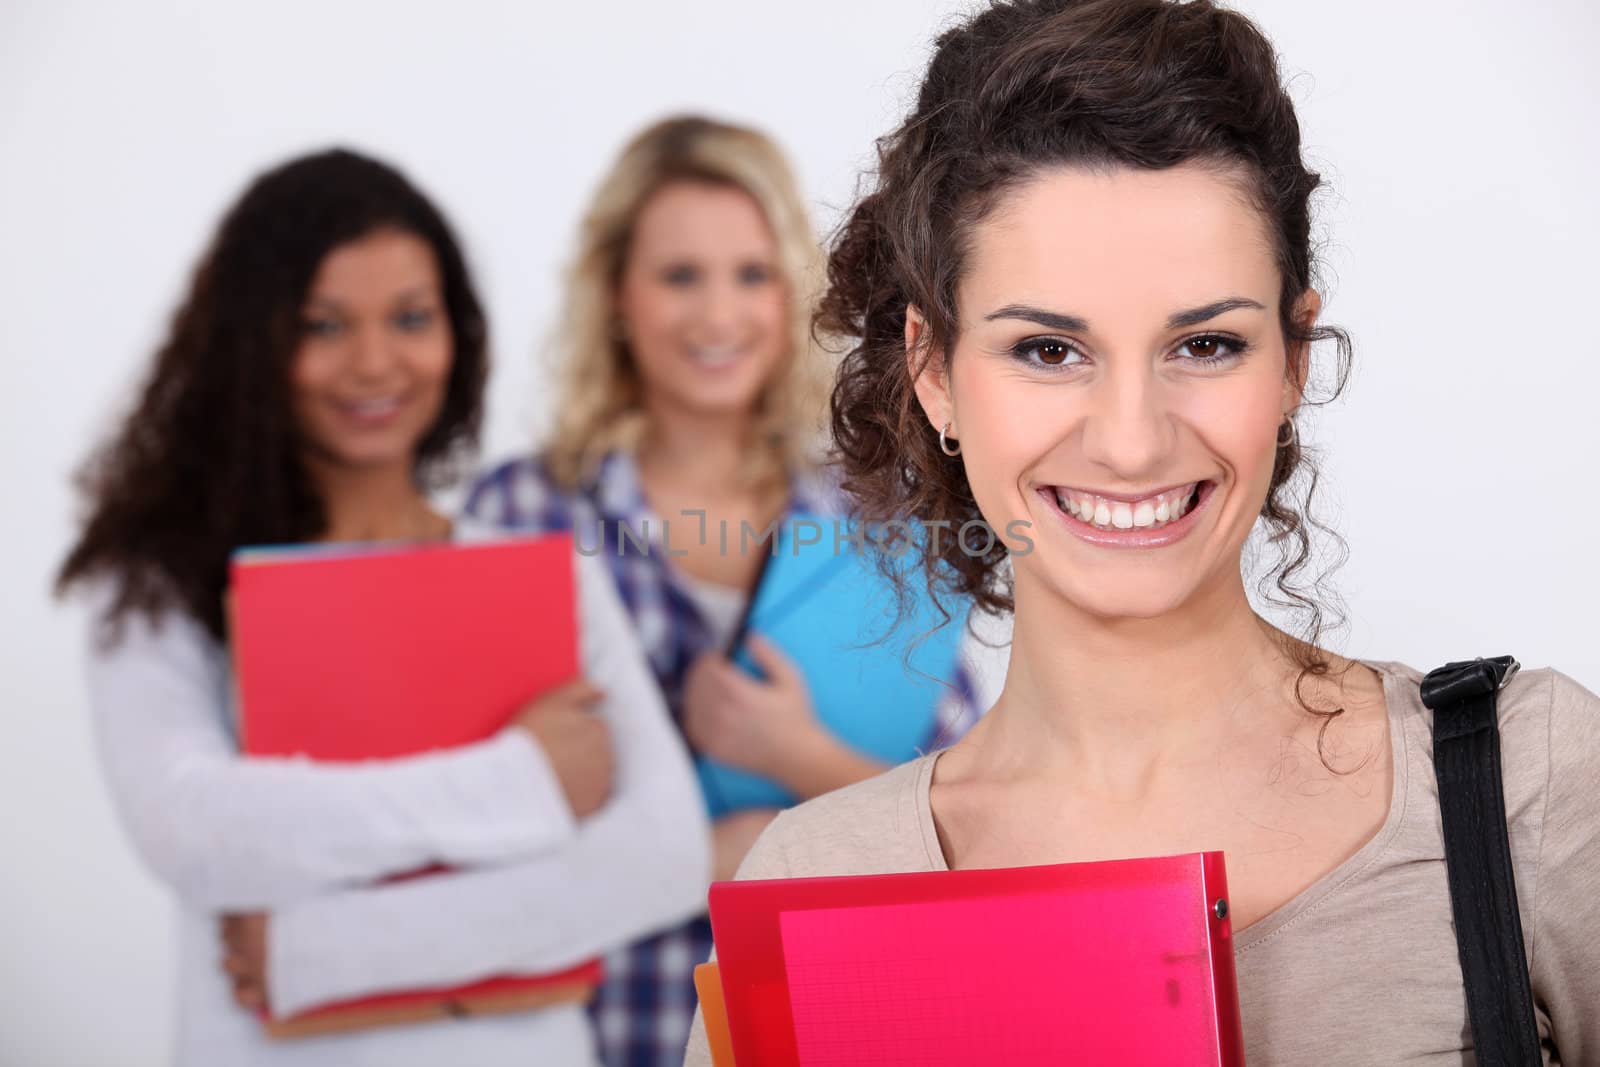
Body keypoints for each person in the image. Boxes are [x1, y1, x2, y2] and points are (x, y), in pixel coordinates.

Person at [685, 1, 1600, 1063]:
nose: (1130, 442)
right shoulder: (817, 883)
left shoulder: (1523, 777)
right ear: (934, 370)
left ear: (1292, 359)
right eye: (1047, 350)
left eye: (1205, 345)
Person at [55, 148, 709, 1067]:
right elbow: (195, 827)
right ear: (253, 342)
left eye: (411, 317)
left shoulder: (538, 573)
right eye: (323, 324)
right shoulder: (163, 583)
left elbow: (663, 856)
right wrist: (523, 781)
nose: (375, 363)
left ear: (458, 333)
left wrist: (325, 951)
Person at [465, 115, 992, 1066]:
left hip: (830, 1015)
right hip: (588, 1025)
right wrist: (687, 862)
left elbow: (979, 820)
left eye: (751, 275)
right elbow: (469, 823)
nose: (719, 315)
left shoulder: (883, 510)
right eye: (680, 276)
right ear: (617, 294)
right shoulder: (526, 510)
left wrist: (793, 753)